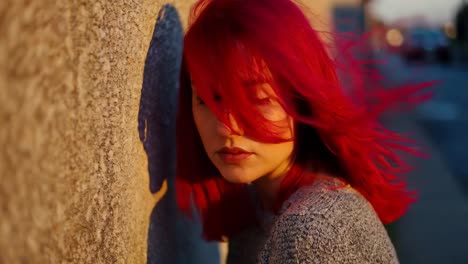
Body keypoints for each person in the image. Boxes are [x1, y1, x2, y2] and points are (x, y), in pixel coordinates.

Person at [175, 0, 431, 263]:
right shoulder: (258, 206)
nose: (226, 126)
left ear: (302, 99)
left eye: (257, 98)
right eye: (206, 98)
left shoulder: (315, 231)